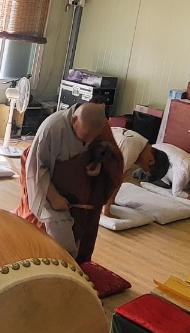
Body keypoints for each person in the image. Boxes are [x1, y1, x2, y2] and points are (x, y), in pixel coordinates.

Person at [16, 102, 123, 263]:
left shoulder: (99, 127)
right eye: (86, 136)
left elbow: (107, 153)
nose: (89, 140)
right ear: (74, 120)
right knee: (56, 237)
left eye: (93, 137)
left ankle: (76, 267)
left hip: (81, 193)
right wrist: (54, 197)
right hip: (49, 187)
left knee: (83, 234)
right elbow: (36, 168)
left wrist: (97, 164)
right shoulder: (52, 128)